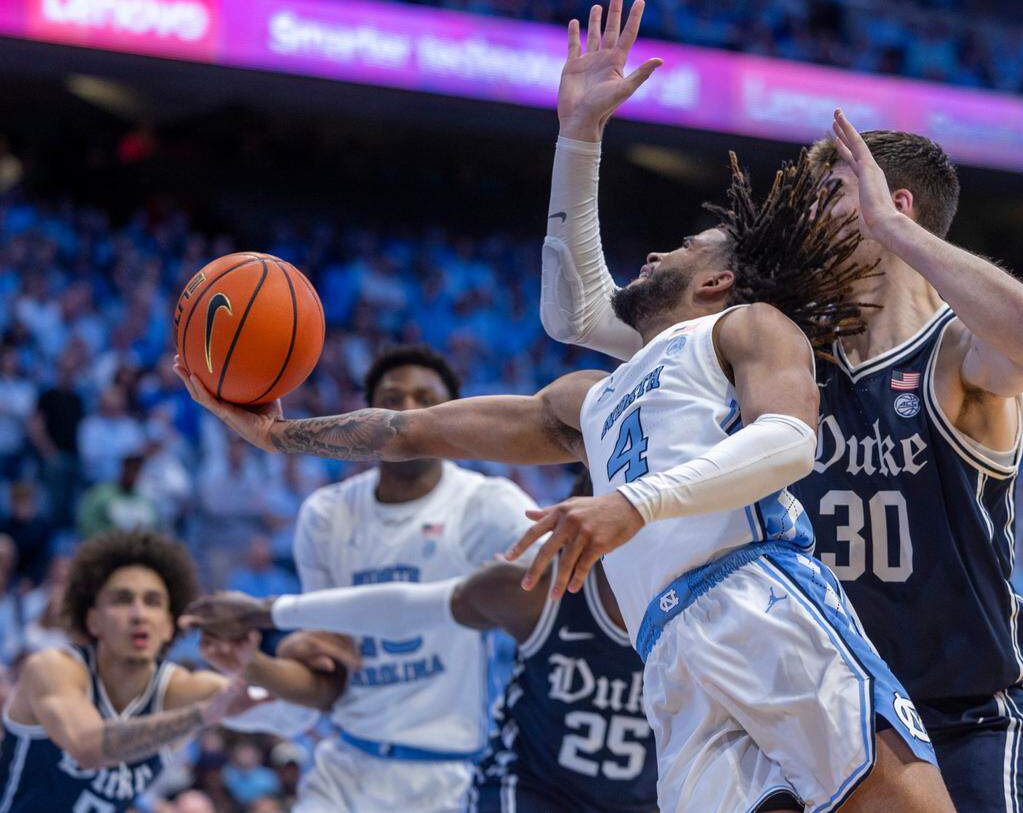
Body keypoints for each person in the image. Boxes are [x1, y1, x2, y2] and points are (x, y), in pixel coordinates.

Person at [174, 0, 952, 812]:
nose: (657, 249)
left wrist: (630, 503)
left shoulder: (747, 328)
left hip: (758, 599)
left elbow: (789, 441)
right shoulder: (593, 399)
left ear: (718, 281)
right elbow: (414, 426)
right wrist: (279, 435)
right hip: (671, 655)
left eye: (683, 247)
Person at [535, 0, 1023, 813]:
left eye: (830, 193)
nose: (803, 216)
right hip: (829, 703)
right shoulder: (768, 344)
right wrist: (579, 136)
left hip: (964, 714)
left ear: (895, 204)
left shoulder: (955, 354)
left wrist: (899, 238)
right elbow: (578, 315)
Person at [188, 345, 541, 812]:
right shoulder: (326, 514)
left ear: (453, 416)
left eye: (425, 400)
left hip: (448, 776)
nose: (408, 413)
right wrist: (248, 663)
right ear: (366, 417)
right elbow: (327, 680)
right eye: (391, 400)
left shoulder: (487, 505)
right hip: (346, 768)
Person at [183, 472, 657, 813]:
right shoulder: (525, 592)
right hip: (525, 790)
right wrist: (269, 613)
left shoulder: (697, 608)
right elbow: (401, 606)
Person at [0, 531, 263, 812]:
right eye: (122, 600)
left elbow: (282, 708)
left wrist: (253, 663)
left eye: (153, 602)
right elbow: (88, 747)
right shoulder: (52, 669)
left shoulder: (181, 690)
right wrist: (200, 715)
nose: (139, 614)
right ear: (92, 620)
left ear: (168, 625)